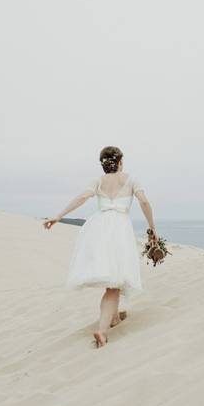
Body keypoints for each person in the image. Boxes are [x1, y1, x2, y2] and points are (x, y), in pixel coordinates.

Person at [43, 146, 157, 348]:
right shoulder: (131, 179)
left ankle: (113, 319)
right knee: (115, 282)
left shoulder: (97, 181)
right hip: (119, 228)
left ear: (104, 164)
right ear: (120, 161)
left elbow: (82, 197)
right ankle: (102, 330)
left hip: (99, 228)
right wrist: (152, 228)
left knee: (113, 276)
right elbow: (144, 201)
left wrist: (59, 216)